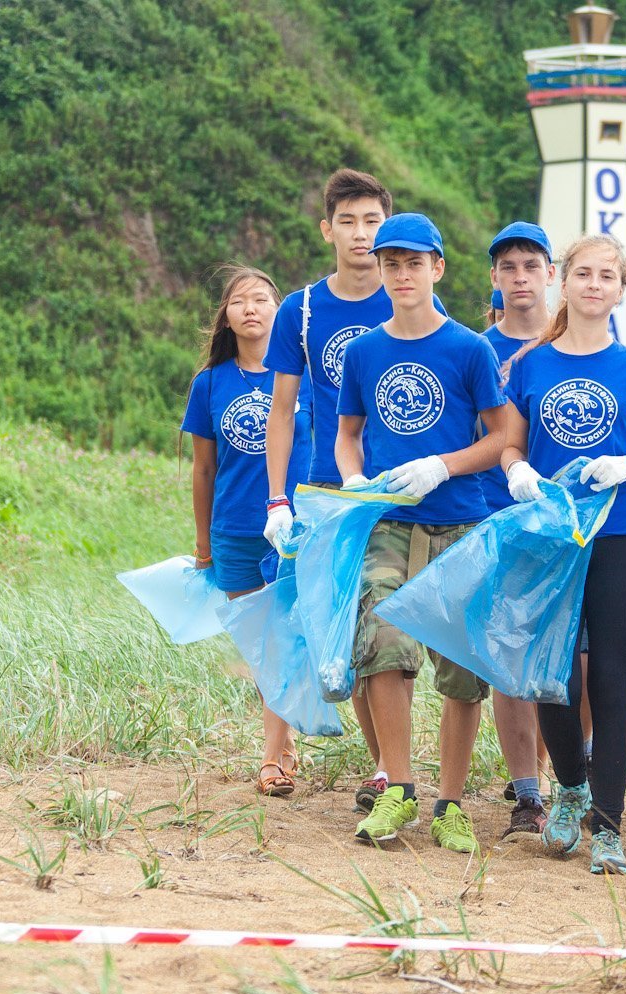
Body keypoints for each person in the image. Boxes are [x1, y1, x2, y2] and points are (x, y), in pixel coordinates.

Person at [334, 212, 511, 855]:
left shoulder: (469, 349)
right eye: (391, 264)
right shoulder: (363, 352)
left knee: (462, 666)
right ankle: (399, 787)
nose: (402, 274)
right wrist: (354, 478)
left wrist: (443, 465)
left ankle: (451, 804)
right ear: (379, 271)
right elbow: (348, 434)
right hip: (388, 521)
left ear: (437, 268)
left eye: (414, 263)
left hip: (460, 520)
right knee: (382, 642)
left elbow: (501, 437)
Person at [501, 233, 626, 876]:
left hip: (620, 534)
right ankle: (569, 787)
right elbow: (511, 444)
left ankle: (608, 824)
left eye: (607, 276)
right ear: (562, 281)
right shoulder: (532, 364)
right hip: (551, 538)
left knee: (610, 677)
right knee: (553, 673)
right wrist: (518, 471)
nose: (595, 285)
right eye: (584, 274)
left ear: (622, 290)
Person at [260, 168, 397, 814]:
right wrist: (277, 498)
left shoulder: (406, 298)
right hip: (325, 491)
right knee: (336, 633)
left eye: (372, 221)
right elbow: (281, 409)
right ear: (327, 230)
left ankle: (388, 769)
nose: (361, 233)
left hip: (394, 490)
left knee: (380, 631)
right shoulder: (303, 309)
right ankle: (380, 765)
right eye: (348, 221)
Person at [183, 265, 312, 796]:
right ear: (226, 318)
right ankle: (283, 740)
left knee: (278, 639)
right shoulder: (210, 383)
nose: (251, 308)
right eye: (239, 301)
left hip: (293, 529)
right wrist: (203, 543)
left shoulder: (304, 377)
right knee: (260, 648)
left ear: (280, 311)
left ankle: (271, 759)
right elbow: (203, 470)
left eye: (261, 298)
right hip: (233, 529)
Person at [482, 222, 558, 839]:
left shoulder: (575, 342)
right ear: (494, 278)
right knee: (509, 652)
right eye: (508, 267)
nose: (520, 277)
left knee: (572, 656)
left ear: (550, 274)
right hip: (494, 515)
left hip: (568, 522)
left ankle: (558, 770)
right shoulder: (477, 349)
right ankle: (527, 790)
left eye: (531, 265)